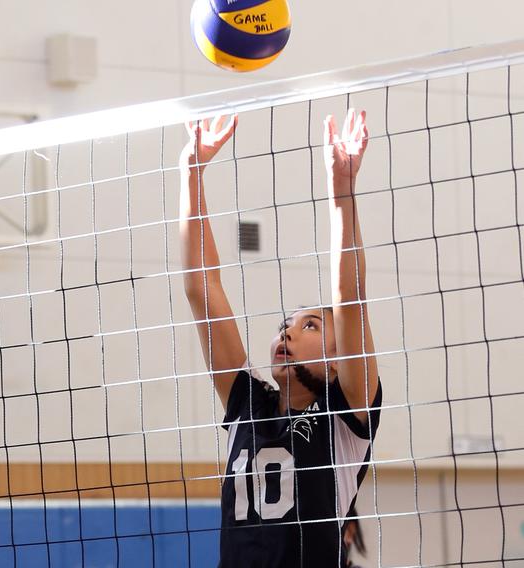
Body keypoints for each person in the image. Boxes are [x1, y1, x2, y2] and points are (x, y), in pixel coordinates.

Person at [179, 110, 382, 567]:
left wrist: (341, 191)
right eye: (285, 325)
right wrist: (191, 172)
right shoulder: (247, 401)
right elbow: (202, 288)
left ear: (337, 359)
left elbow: (350, 297)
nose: (288, 331)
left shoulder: (346, 418)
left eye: (310, 325)